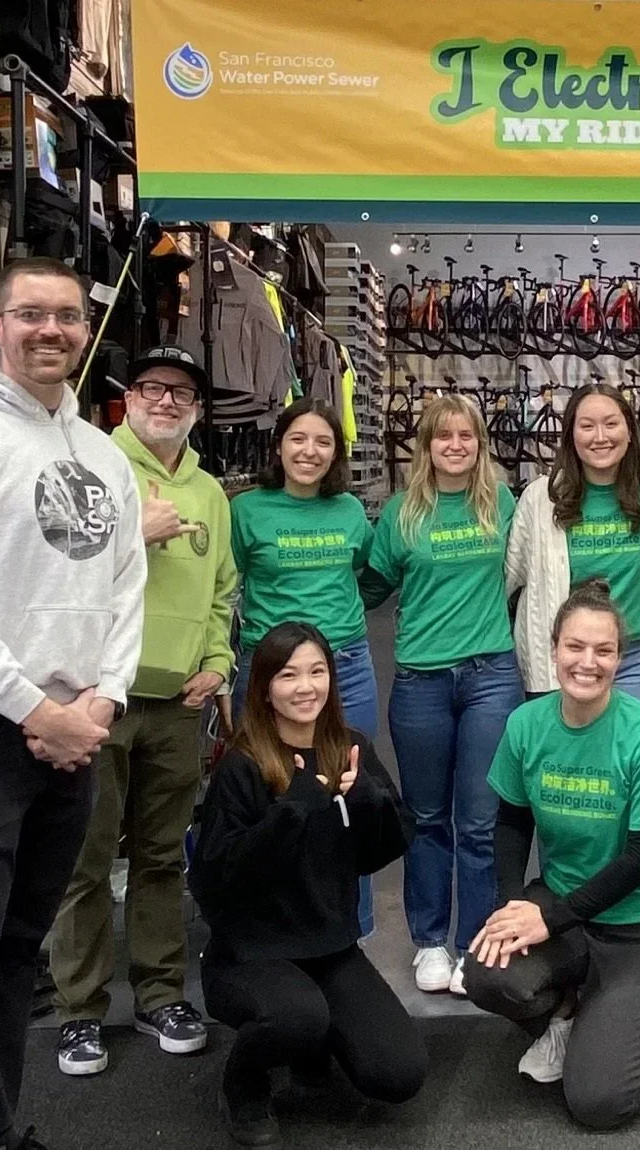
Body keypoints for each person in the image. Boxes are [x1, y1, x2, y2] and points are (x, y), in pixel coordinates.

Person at [0, 257, 146, 1150]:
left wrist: (104, 702)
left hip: (75, 735)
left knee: (18, 957)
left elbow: (128, 587)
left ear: (86, 333)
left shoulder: (100, 455)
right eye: (32, 315)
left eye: (68, 318)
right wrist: (33, 711)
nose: (53, 331)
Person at [463, 579, 640, 1130]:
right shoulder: (526, 725)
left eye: (603, 651)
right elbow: (512, 821)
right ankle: (568, 1012)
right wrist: (515, 908)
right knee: (487, 973)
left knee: (597, 1103)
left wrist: (549, 919)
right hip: (568, 914)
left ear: (619, 658)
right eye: (574, 647)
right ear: (553, 648)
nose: (587, 662)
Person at [50, 346, 237, 1076]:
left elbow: (222, 589)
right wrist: (135, 533)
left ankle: (161, 994)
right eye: (154, 387)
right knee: (86, 862)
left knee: (162, 858)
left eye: (182, 391)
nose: (167, 400)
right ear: (127, 396)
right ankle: (79, 1011)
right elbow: (53, 566)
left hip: (177, 701)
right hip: (96, 697)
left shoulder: (211, 492)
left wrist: (218, 661)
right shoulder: (90, 464)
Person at [189, 623, 426, 1147]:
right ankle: (244, 1086)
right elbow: (216, 880)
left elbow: (384, 848)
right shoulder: (245, 763)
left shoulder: (351, 749)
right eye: (289, 674)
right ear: (266, 687)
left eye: (317, 671)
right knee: (296, 1015)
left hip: (329, 946)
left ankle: (311, 1043)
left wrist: (369, 802)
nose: (305, 686)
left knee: (399, 1073)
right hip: (250, 952)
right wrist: (290, 811)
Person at [361, 394, 522, 996]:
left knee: (479, 821)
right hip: (421, 683)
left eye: (467, 436)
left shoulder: (500, 503)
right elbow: (371, 586)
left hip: (490, 678)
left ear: (480, 444)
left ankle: (473, 944)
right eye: (443, 436)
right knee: (427, 819)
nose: (456, 446)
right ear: (424, 446)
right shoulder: (402, 514)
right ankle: (429, 942)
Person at [230, 396, 380, 935]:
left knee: (346, 790)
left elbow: (363, 573)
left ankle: (351, 926)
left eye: (323, 442)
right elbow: (228, 585)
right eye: (298, 439)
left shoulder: (348, 512)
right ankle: (272, 922)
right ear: (279, 445)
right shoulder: (246, 510)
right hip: (270, 671)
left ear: (336, 453)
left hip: (345, 667)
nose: (309, 451)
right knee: (270, 792)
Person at [506, 382, 640, 704]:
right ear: (571, 437)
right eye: (587, 426)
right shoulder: (540, 498)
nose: (600, 437)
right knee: (565, 752)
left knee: (625, 750)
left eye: (611, 423)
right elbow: (509, 578)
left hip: (632, 657)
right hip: (561, 658)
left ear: (630, 431)